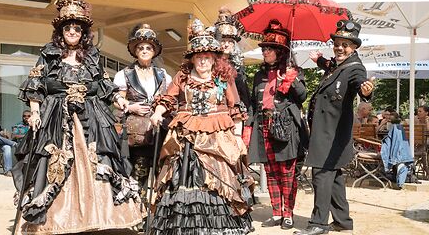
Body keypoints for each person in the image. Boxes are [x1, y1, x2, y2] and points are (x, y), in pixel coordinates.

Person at [12, 0, 143, 233]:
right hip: (55, 116)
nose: (72, 31)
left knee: (98, 161)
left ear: (83, 32)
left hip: (90, 118)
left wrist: (121, 100)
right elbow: (36, 84)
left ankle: (97, 216)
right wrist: (34, 111)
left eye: (77, 28)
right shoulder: (49, 54)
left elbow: (104, 84)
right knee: (54, 163)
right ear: (60, 31)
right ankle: (56, 219)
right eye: (68, 27)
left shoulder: (91, 56)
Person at [149, 19, 254, 234]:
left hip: (217, 136)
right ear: (193, 59)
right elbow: (168, 98)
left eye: (207, 57)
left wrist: (236, 136)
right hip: (186, 134)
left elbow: (235, 109)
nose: (203, 61)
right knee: (179, 176)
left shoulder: (224, 77)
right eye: (199, 57)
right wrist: (158, 113)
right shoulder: (183, 77)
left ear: (214, 59)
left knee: (220, 179)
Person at [295, 20, 375, 235]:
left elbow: (360, 84)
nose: (339, 48)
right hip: (324, 131)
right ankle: (342, 221)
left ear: (354, 48)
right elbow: (331, 68)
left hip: (332, 134)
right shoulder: (338, 66)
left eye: (345, 45)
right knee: (335, 177)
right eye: (337, 43)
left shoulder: (356, 68)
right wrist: (319, 60)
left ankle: (318, 223)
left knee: (320, 174)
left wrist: (366, 93)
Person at [244, 19, 307, 230]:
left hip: (285, 128)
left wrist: (292, 79)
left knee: (286, 173)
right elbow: (254, 104)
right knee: (270, 172)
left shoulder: (293, 70)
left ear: (279, 51)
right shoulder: (259, 75)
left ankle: (288, 214)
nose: (264, 52)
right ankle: (277, 213)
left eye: (269, 49)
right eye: (264, 48)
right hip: (263, 127)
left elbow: (303, 96)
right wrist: (248, 128)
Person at [112, 23, 172, 204]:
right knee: (139, 172)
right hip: (137, 133)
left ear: (154, 51)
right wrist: (131, 107)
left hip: (160, 129)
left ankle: (158, 211)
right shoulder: (125, 74)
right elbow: (116, 101)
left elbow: (170, 100)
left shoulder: (163, 75)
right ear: (135, 51)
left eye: (148, 48)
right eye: (141, 48)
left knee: (161, 172)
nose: (145, 51)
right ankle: (138, 211)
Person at [214, 7, 251, 111]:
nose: (226, 44)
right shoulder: (210, 63)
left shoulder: (238, 66)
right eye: (223, 41)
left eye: (230, 41)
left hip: (235, 111)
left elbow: (244, 93)